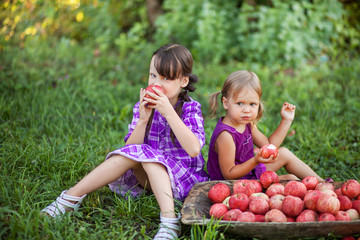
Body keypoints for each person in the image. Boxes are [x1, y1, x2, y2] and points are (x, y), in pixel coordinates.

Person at [41, 43, 209, 240]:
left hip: (183, 180)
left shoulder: (190, 109)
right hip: (150, 178)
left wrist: (168, 112)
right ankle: (70, 198)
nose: (157, 83)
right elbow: (131, 151)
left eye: (166, 78)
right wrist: (143, 120)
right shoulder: (145, 106)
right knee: (141, 154)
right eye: (153, 75)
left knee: (150, 157)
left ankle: (170, 222)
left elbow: (194, 149)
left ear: (183, 81)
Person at [207, 70, 324, 182]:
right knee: (292, 179)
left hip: (249, 173)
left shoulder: (247, 124)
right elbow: (229, 174)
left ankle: (324, 183)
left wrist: (286, 120)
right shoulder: (226, 135)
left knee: (284, 154)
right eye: (240, 103)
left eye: (252, 104)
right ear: (225, 103)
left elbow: (269, 145)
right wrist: (255, 160)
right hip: (232, 184)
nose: (247, 110)